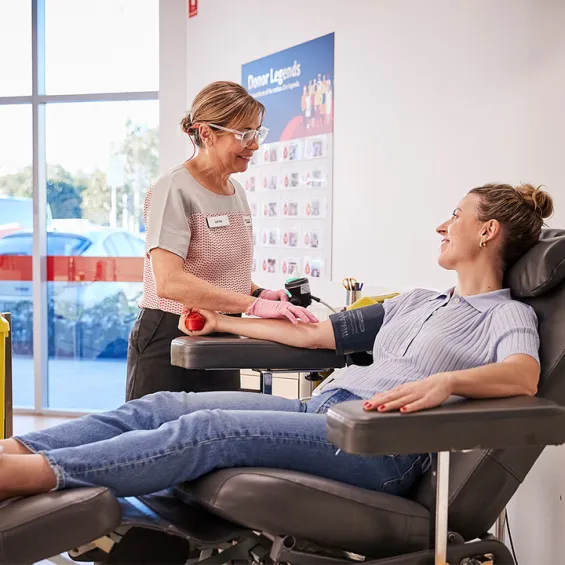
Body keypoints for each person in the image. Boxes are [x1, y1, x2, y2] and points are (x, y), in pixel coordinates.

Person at [0, 183, 554, 501]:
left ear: (487, 232)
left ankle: (34, 477)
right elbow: (315, 335)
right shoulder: (418, 301)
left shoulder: (506, 314)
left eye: (456, 215)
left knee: (208, 430)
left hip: (379, 446)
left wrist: (447, 382)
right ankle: (22, 449)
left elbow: (523, 375)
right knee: (164, 405)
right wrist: (224, 323)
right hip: (325, 413)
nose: (442, 225)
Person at [126, 81, 317, 401]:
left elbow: (218, 270)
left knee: (218, 443)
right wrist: (255, 305)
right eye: (244, 134)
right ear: (206, 133)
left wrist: (259, 292)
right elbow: (170, 282)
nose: (254, 145)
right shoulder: (173, 189)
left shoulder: (235, 191)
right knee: (154, 444)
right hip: (170, 336)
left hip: (223, 332)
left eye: (257, 132)